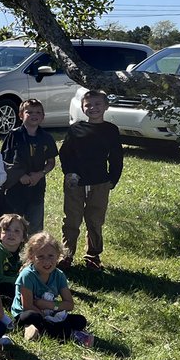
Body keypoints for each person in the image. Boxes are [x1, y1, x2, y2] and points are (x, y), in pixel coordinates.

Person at [59, 89, 123, 271]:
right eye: (88, 105)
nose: (93, 108)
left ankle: (93, 255)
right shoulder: (76, 129)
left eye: (97, 104)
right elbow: (65, 154)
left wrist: (113, 178)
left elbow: (117, 156)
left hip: (100, 182)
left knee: (95, 220)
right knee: (72, 219)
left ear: (105, 106)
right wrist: (69, 173)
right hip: (75, 182)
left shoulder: (111, 130)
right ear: (82, 108)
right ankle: (67, 254)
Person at [12, 232, 94, 346]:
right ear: (31, 257)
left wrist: (50, 305)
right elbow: (27, 306)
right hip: (27, 313)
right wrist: (47, 317)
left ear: (58, 255)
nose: (46, 262)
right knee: (32, 316)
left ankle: (39, 331)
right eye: (40, 257)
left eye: (51, 256)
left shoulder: (59, 275)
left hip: (49, 311)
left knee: (80, 320)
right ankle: (69, 334)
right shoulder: (27, 275)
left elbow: (69, 304)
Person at [1, 99, 59, 233]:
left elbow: (51, 162)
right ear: (21, 115)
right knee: (12, 223)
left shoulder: (46, 137)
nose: (34, 115)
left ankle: (33, 252)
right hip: (15, 187)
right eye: (29, 112)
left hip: (36, 187)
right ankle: (12, 251)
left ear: (43, 116)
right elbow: (4, 160)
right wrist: (19, 175)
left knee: (35, 225)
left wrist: (40, 174)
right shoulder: (14, 135)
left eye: (38, 112)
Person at [0, 213, 28, 307]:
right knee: (7, 288)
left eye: (17, 231)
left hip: (13, 282)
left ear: (23, 237)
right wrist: (20, 280)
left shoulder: (23, 251)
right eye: (6, 230)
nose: (11, 234)